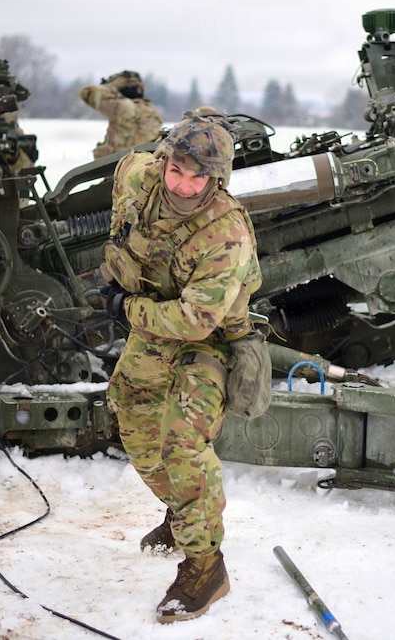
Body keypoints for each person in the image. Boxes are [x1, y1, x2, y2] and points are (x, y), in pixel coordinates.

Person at [100, 111, 261, 623]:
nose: (185, 186)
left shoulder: (224, 231)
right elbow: (124, 188)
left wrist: (122, 308)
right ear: (165, 159)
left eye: (199, 178)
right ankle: (183, 512)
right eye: (178, 171)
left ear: (217, 178)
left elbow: (195, 320)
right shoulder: (138, 175)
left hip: (207, 338)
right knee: (130, 412)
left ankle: (205, 566)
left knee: (182, 442)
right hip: (154, 325)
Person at [81, 70, 163, 160]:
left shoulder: (123, 107)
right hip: (140, 165)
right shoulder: (150, 110)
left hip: (117, 166)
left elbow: (87, 92)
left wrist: (109, 88)